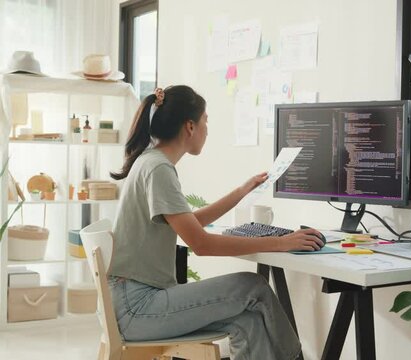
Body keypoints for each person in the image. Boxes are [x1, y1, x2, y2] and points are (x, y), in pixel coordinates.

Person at [107, 85, 323, 360]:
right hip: (138, 308)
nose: (207, 129)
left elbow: (191, 224)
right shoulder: (158, 168)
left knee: (249, 322)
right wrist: (281, 243)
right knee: (253, 285)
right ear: (190, 126)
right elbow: (200, 243)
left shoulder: (151, 162)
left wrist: (241, 191)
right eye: (205, 120)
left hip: (136, 301)